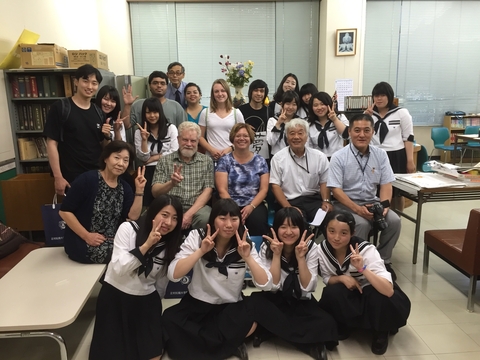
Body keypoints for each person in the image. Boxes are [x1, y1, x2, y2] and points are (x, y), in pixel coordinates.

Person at [162, 199, 272, 360]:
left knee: (254, 319)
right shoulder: (197, 236)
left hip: (229, 307)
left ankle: (208, 344)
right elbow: (173, 274)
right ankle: (229, 344)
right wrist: (200, 251)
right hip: (197, 305)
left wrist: (248, 258)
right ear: (213, 219)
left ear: (239, 221)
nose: (228, 224)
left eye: (234, 219)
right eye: (222, 218)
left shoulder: (243, 242)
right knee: (169, 319)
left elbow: (266, 283)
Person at [89, 195, 183, 360]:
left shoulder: (170, 244)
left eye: (175, 218)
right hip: (115, 296)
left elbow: (161, 281)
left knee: (152, 353)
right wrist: (146, 245)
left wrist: (154, 310)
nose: (169, 222)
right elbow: (119, 268)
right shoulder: (128, 229)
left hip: (145, 299)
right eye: (165, 215)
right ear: (153, 213)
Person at [249, 207, 338, 360]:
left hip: (299, 300)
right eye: (283, 227)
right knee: (253, 302)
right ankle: (308, 344)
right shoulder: (267, 246)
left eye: (294, 226)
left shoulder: (311, 247)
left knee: (327, 322)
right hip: (274, 298)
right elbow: (272, 286)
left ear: (301, 228)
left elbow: (308, 287)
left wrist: (301, 258)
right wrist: (276, 255)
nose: (288, 232)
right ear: (275, 229)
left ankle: (271, 331)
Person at [318, 210, 410, 355]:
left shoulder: (366, 250)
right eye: (331, 231)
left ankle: (380, 331)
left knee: (380, 297)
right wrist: (341, 278)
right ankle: (348, 324)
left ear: (352, 233)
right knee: (332, 291)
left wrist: (362, 268)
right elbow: (326, 277)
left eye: (343, 233)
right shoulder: (322, 250)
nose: (336, 237)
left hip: (374, 292)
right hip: (351, 293)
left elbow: (388, 290)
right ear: (325, 230)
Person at [327, 113, 401, 280]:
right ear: (350, 132)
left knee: (394, 221)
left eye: (366, 130)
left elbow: (386, 184)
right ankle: (355, 263)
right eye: (357, 130)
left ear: (373, 132)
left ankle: (382, 261)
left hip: (372, 202)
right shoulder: (339, 156)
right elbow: (336, 190)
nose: (362, 135)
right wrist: (357, 210)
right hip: (345, 204)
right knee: (360, 224)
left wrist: (384, 206)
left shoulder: (381, 155)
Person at [59, 141, 146, 264]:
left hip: (114, 241)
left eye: (126, 160)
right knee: (129, 259)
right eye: (117, 157)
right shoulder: (87, 180)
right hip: (83, 242)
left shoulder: (125, 187)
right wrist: (87, 236)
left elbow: (132, 216)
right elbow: (64, 211)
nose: (121, 163)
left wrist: (139, 190)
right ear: (106, 158)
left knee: (142, 251)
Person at [44, 64, 110, 196]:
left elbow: (103, 146)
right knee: (74, 215)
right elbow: (52, 143)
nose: (90, 87)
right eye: (85, 81)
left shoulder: (98, 112)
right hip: (71, 177)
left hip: (97, 174)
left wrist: (107, 135)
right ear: (76, 82)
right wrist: (58, 177)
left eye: (94, 83)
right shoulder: (61, 108)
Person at [152, 122, 214, 230]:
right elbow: (155, 192)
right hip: (170, 206)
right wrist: (171, 184)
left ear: (198, 141)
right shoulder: (165, 160)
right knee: (151, 216)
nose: (189, 144)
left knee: (206, 217)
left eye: (193, 141)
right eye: (185, 140)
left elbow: (208, 191)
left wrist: (188, 215)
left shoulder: (206, 161)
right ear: (178, 139)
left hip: (197, 208)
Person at [270, 118, 332, 223]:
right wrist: (288, 207)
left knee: (332, 219)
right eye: (292, 133)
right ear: (287, 136)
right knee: (297, 223)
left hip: (314, 200)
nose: (296, 137)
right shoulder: (278, 158)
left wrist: (326, 201)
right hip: (289, 201)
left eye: (300, 133)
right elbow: (275, 186)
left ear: (307, 136)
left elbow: (324, 181)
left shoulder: (319, 157)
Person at [365, 81, 415, 211]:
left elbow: (408, 138)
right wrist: (366, 117)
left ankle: (396, 219)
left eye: (382, 95)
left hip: (396, 155)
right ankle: (378, 217)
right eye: (376, 96)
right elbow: (362, 136)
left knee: (397, 192)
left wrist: (410, 161)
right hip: (375, 155)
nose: (379, 98)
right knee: (376, 189)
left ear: (390, 96)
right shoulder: (370, 114)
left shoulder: (401, 113)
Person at [215, 123, 269, 236]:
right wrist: (234, 210)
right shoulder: (224, 161)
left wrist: (251, 207)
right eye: (238, 136)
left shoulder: (260, 161)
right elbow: (222, 190)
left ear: (251, 139)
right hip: (229, 202)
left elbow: (264, 190)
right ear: (233, 139)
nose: (242, 139)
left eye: (245, 136)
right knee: (229, 222)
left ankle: (256, 251)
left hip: (254, 204)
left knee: (257, 221)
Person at [135, 97, 179, 206]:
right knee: (149, 203)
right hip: (148, 169)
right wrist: (144, 139)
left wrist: (154, 158)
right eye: (148, 112)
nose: (152, 116)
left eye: (155, 112)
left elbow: (175, 150)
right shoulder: (138, 132)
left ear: (160, 112)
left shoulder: (171, 128)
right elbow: (144, 158)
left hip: (167, 166)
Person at [198, 79, 245, 160]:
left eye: (223, 91)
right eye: (216, 91)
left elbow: (243, 137)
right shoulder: (205, 113)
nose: (220, 94)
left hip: (232, 158)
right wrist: (211, 150)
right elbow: (200, 137)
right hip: (211, 158)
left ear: (227, 92)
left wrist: (230, 149)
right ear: (213, 94)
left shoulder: (236, 113)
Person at [308, 92, 349, 159]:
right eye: (315, 105)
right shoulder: (309, 124)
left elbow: (347, 135)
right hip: (317, 160)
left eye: (322, 104)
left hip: (337, 159)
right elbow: (308, 147)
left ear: (329, 105)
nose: (319, 107)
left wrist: (334, 119)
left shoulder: (340, 117)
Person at [238, 79, 271, 160]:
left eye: (262, 91)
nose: (259, 94)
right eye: (256, 90)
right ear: (251, 92)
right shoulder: (240, 110)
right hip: (243, 153)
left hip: (264, 155)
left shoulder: (269, 111)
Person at [266, 90, 303, 156]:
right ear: (282, 104)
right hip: (277, 157)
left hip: (295, 156)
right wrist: (278, 124)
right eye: (288, 104)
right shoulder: (273, 120)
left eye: (294, 104)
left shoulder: (300, 122)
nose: (290, 107)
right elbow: (270, 142)